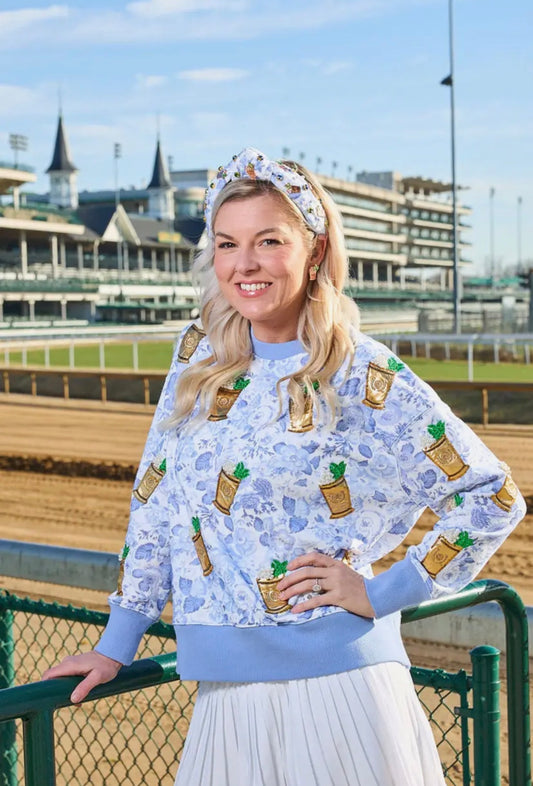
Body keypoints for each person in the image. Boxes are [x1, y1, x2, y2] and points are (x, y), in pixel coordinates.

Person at [43, 147, 525, 785]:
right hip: (223, 697)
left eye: (268, 241)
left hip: (343, 691)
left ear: (314, 249)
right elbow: (156, 503)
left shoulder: (359, 368)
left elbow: (492, 496)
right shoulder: (198, 356)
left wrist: (381, 594)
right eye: (226, 244)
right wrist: (116, 645)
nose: (243, 264)